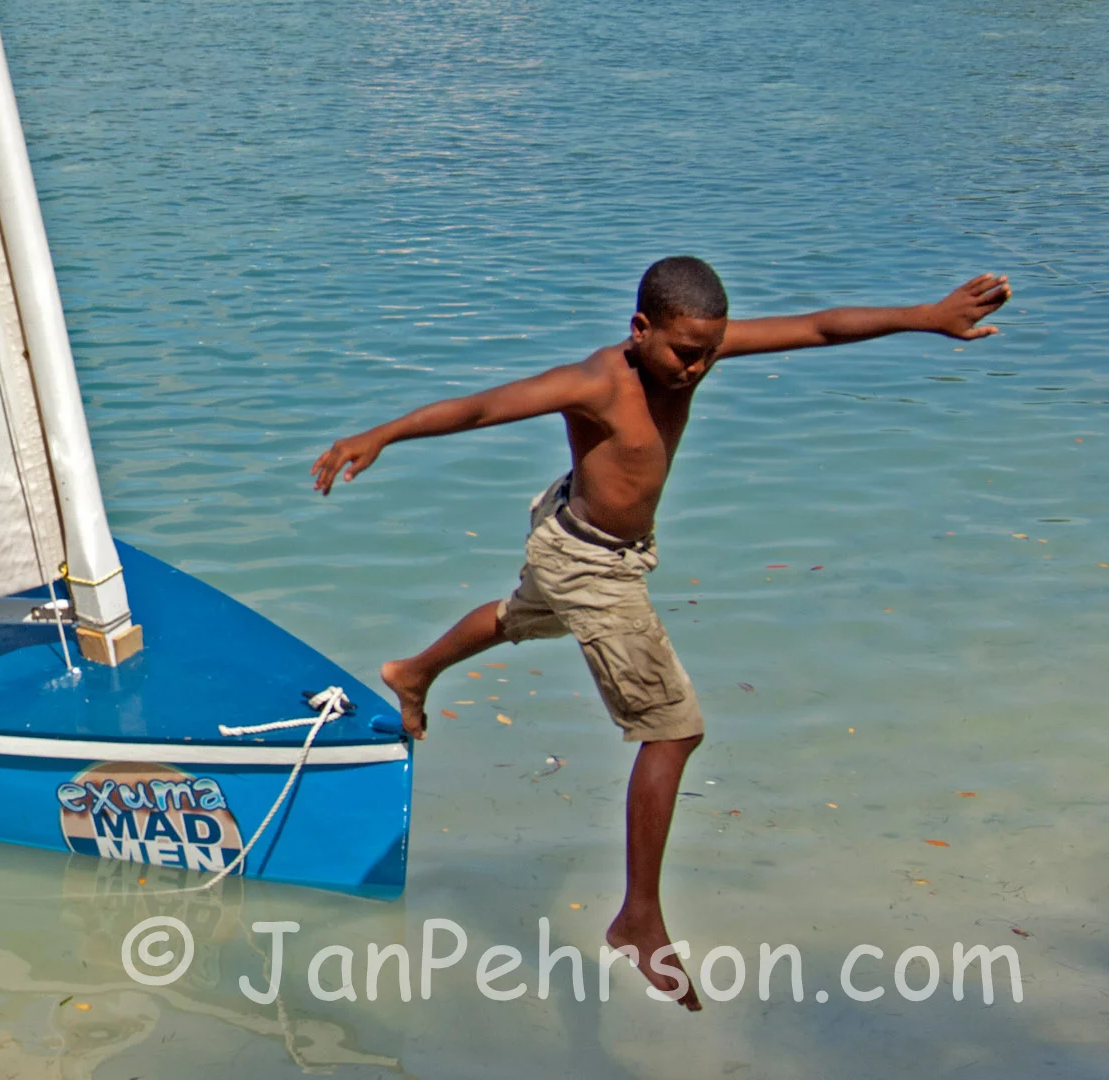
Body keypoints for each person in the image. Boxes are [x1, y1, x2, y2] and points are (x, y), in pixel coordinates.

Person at [312, 258, 1011, 1009]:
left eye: (709, 350)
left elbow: (818, 327)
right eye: (684, 352)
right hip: (592, 564)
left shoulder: (695, 349)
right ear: (641, 329)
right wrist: (380, 434)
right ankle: (637, 919)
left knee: (526, 613)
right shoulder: (596, 382)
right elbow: (483, 409)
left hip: (577, 535)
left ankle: (414, 672)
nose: (697, 367)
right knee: (672, 732)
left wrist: (927, 315)